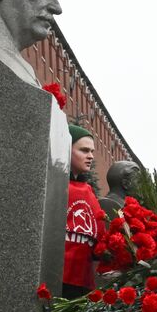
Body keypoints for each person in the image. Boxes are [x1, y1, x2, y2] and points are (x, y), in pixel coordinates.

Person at [63, 124, 104, 298]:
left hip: (83, 285)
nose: (90, 157)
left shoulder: (89, 192)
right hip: (57, 279)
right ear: (67, 149)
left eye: (92, 152)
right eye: (84, 150)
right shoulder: (56, 185)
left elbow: (99, 238)